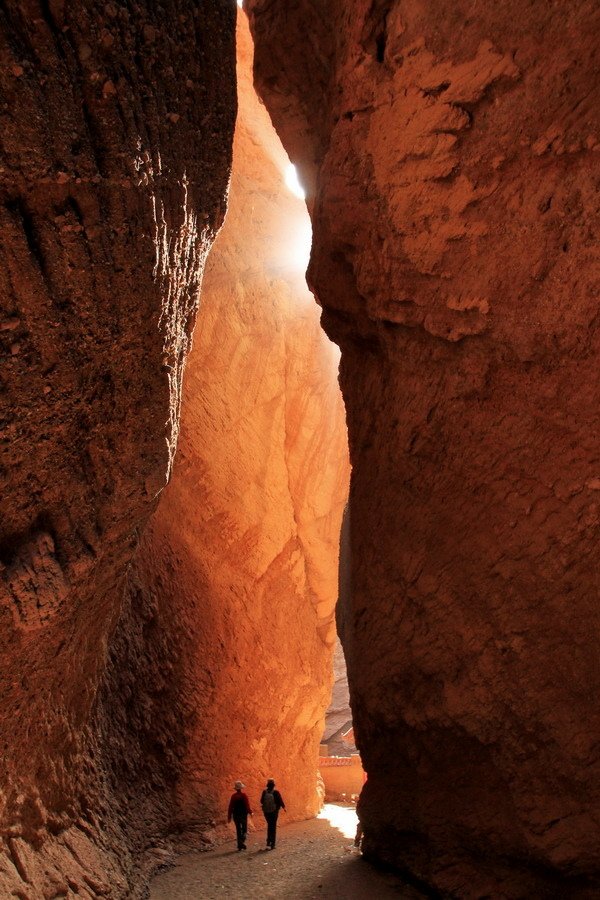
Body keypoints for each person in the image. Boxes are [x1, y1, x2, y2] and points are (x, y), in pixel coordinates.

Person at [260, 778, 285, 849]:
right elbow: (280, 801)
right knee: (273, 827)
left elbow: (261, 801)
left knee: (269, 825)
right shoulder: (276, 792)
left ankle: (268, 842)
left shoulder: (264, 792)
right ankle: (272, 844)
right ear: (273, 785)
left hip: (266, 812)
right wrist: (283, 807)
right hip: (274, 812)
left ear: (267, 785)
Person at [227, 780, 252, 850]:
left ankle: (239, 845)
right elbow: (247, 805)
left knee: (238, 830)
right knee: (244, 829)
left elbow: (230, 807)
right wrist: (250, 812)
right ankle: (241, 842)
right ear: (241, 788)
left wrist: (229, 817)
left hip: (236, 815)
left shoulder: (233, 796)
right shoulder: (244, 795)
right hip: (243, 815)